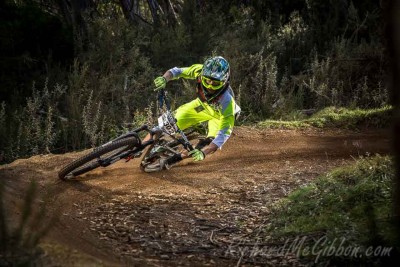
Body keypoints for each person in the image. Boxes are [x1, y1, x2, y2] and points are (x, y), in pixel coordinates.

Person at [144, 56, 241, 172]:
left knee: (205, 145)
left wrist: (204, 153)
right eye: (207, 81)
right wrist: (165, 79)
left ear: (225, 81)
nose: (209, 86)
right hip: (202, 106)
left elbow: (224, 133)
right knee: (166, 124)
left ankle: (174, 159)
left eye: (215, 83)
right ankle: (141, 147)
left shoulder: (227, 101)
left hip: (219, 117)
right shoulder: (200, 71)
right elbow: (177, 71)